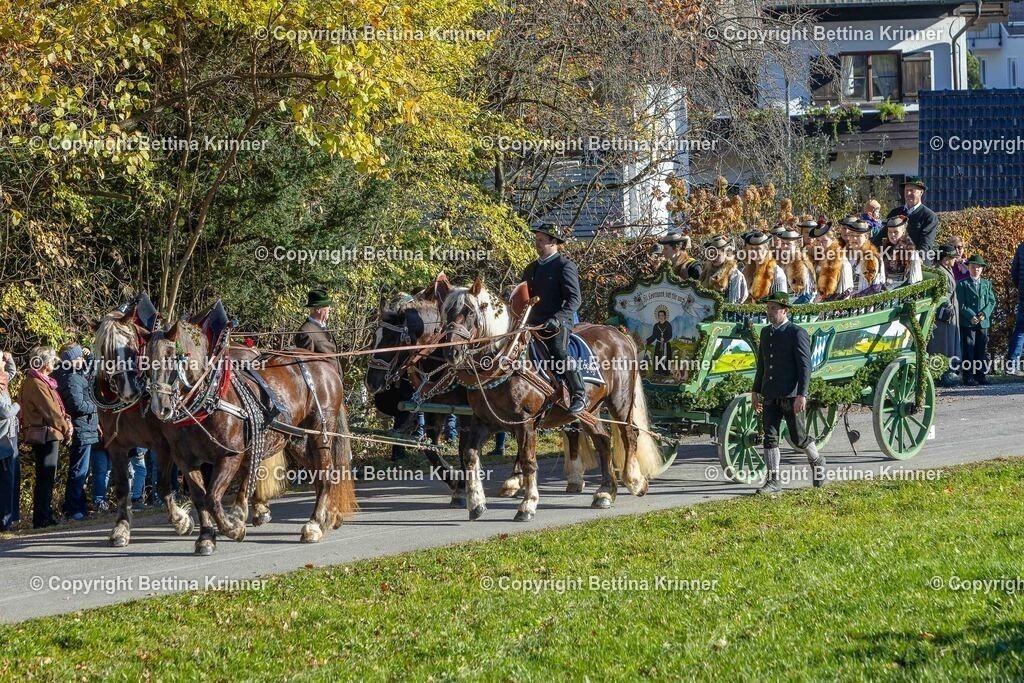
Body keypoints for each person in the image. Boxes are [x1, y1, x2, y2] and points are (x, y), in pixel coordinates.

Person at [752, 292, 825, 494]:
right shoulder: (766, 333)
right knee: (770, 437)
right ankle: (773, 481)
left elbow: (805, 366)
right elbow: (762, 365)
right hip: (770, 393)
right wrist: (755, 390)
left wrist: (802, 394)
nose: (770, 312)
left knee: (798, 437)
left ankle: (817, 460)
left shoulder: (796, 333)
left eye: (774, 309)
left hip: (791, 395)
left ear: (785, 310)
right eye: (768, 309)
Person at [523, 223, 586, 414]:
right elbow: (524, 297)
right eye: (536, 240)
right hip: (531, 324)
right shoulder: (530, 269)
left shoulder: (565, 266)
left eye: (541, 241)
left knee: (559, 351)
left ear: (553, 242)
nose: (537, 244)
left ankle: (579, 394)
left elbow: (575, 299)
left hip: (557, 324)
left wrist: (558, 318)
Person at [18, 346, 73, 528]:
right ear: (43, 363)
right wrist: (66, 429)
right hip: (46, 434)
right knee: (46, 476)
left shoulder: (40, 381)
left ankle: (45, 515)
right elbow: (51, 411)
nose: (53, 364)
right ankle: (42, 517)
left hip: (48, 432)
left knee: (46, 476)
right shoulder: (37, 383)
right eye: (51, 361)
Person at [54, 343, 100, 521]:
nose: (82, 360)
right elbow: (77, 405)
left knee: (82, 469)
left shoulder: (72, 373)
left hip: (85, 427)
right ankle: (73, 508)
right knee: (79, 470)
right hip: (81, 426)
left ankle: (79, 505)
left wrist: (89, 357)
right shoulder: (71, 377)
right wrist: (96, 406)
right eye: (78, 357)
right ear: (71, 360)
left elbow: (91, 372)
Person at [956, 255, 997, 386]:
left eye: (978, 268)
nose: (976, 270)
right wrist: (970, 316)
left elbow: (991, 301)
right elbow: (961, 303)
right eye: (973, 267)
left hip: (983, 321)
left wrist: (984, 314)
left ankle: (980, 375)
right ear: (968, 268)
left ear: (982, 269)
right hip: (968, 322)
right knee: (968, 349)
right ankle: (968, 376)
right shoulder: (962, 284)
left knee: (981, 349)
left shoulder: (986, 283)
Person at [927, 245, 962, 387]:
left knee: (948, 343)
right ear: (946, 259)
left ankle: (946, 372)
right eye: (953, 258)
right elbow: (942, 295)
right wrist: (947, 309)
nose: (955, 260)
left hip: (949, 313)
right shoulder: (940, 272)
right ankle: (941, 374)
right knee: (942, 344)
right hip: (943, 315)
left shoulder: (945, 270)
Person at [878, 176, 938, 255]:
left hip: (917, 261)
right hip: (894, 261)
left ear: (921, 192)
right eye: (906, 190)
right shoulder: (895, 213)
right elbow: (882, 236)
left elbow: (926, 243)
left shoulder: (929, 216)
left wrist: (915, 260)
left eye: (911, 190)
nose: (908, 194)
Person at [294, 289, 341, 372]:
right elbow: (308, 367)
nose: (330, 309)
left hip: (334, 380)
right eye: (327, 306)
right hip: (322, 382)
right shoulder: (305, 332)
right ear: (318, 309)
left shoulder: (324, 326)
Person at [0, 352, 20, 531]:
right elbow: (5, 412)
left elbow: (11, 372)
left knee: (11, 478)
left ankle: (9, 517)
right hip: (2, 439)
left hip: (10, 435)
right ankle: (4, 521)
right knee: (5, 480)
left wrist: (9, 358)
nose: (3, 364)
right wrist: (17, 405)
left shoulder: (2, 381)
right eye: (1, 361)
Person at [807, 221, 853, 301]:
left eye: (824, 241)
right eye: (818, 240)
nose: (820, 244)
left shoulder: (842, 262)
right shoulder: (815, 258)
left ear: (832, 239)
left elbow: (846, 292)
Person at [840, 216, 885, 296]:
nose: (854, 238)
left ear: (866, 237)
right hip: (845, 300)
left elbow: (876, 287)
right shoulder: (844, 254)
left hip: (865, 304)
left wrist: (857, 297)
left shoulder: (873, 258)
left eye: (858, 236)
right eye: (851, 235)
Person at [699, 234, 748, 303]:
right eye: (711, 254)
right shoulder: (706, 270)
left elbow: (735, 301)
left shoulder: (735, 274)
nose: (713, 257)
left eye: (717, 255)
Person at [741, 231, 787, 302]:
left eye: (758, 248)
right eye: (752, 248)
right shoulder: (746, 270)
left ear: (766, 249)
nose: (753, 252)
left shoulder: (776, 272)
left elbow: (781, 302)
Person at [880, 215, 922, 289]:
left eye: (896, 232)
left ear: (903, 231)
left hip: (901, 292)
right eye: (890, 232)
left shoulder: (912, 253)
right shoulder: (884, 249)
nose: (892, 235)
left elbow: (915, 282)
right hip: (883, 288)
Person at [776, 228, 816, 304]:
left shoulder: (803, 263)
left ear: (796, 245)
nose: (785, 246)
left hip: (801, 302)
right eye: (783, 243)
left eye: (788, 244)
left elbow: (809, 293)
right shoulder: (779, 262)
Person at [1008, 240, 1024, 376]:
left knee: (1020, 330)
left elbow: (1014, 272)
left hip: (1023, 293)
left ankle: (1012, 364)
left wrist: (1020, 287)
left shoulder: (1021, 247)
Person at [646, 307, 674, 377]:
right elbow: (654, 336)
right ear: (658, 316)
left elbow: (670, 335)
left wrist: (664, 339)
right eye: (659, 315)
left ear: (665, 316)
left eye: (662, 315)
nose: (660, 317)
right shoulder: (656, 326)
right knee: (658, 358)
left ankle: (665, 374)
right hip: (658, 345)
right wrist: (647, 341)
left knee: (666, 359)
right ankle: (657, 374)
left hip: (666, 345)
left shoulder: (668, 325)